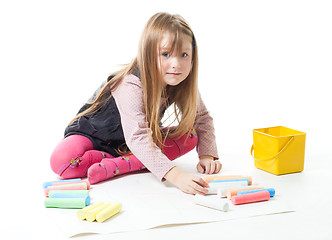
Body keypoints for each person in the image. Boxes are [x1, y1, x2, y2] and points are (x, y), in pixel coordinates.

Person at [50, 12, 221, 195]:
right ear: (147, 55)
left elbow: (202, 118)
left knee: (190, 135)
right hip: (94, 137)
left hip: (133, 143)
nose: (176, 64)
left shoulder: (181, 82)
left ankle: (120, 165)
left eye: (184, 55)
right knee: (61, 160)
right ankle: (129, 160)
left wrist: (207, 155)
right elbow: (137, 136)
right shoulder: (130, 83)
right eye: (165, 54)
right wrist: (176, 176)